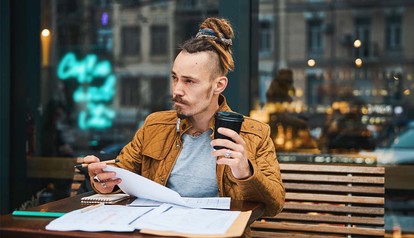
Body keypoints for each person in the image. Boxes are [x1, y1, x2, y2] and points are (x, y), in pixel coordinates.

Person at [84, 17, 285, 235]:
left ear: (219, 85)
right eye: (175, 78)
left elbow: (274, 204)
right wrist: (102, 181)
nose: (177, 90)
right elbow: (120, 174)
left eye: (189, 81)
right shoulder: (155, 125)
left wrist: (245, 171)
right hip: (155, 231)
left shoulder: (254, 134)